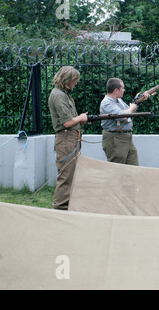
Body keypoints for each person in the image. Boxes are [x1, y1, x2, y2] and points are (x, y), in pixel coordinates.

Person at [48, 66, 88, 210]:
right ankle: (60, 208)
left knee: (73, 174)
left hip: (72, 138)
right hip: (66, 139)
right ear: (66, 80)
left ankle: (69, 205)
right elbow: (66, 122)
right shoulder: (58, 95)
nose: (75, 84)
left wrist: (79, 119)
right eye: (74, 81)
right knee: (66, 175)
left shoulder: (64, 94)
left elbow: (71, 119)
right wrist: (80, 118)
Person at [100, 78, 150, 166]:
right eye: (122, 88)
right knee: (117, 169)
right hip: (115, 139)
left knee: (133, 168)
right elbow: (123, 116)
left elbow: (129, 111)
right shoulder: (106, 103)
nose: (124, 90)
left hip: (126, 138)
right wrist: (132, 106)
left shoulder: (119, 100)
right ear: (116, 90)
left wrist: (139, 101)